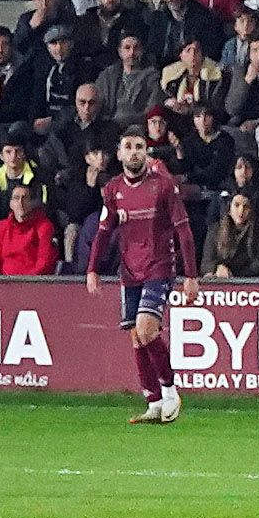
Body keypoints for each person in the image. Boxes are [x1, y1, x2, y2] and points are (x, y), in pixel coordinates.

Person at [86, 129, 199, 424]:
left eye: (139, 147)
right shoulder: (112, 189)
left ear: (146, 153)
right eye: (128, 147)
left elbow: (184, 231)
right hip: (129, 270)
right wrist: (92, 268)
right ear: (120, 153)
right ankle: (154, 401)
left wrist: (191, 275)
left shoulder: (163, 186)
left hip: (159, 266)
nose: (134, 151)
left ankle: (170, 391)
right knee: (137, 337)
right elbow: (103, 231)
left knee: (147, 329)